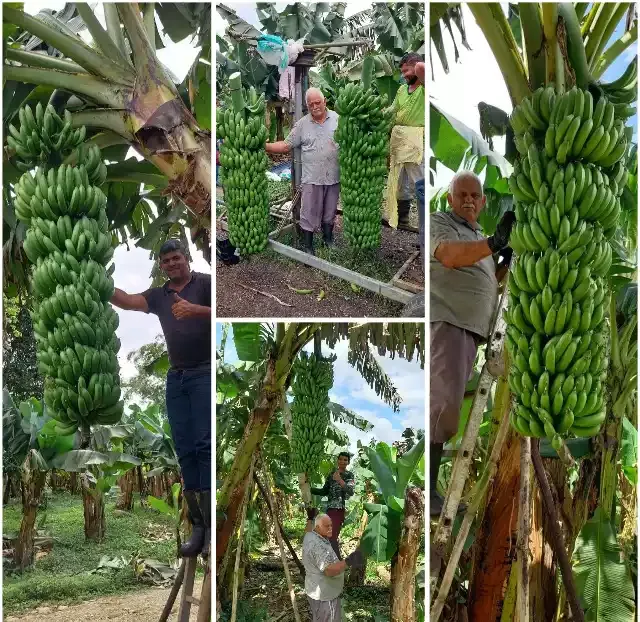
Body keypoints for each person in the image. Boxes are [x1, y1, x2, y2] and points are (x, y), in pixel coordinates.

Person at [110, 239, 212, 556]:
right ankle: (198, 527)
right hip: (177, 377)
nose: (171, 264)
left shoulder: (207, 284)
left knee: (205, 445)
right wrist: (96, 276)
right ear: (161, 265)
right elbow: (127, 301)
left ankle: (210, 525)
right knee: (184, 448)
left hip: (205, 372)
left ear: (187, 258)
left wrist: (197, 310)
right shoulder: (160, 295)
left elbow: (231, 312)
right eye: (165, 260)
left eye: (176, 258)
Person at [430, 171, 515, 516]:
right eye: (461, 194)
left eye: (474, 196)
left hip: (470, 328)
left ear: (482, 202)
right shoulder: (442, 223)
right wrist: (494, 244)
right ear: (451, 199)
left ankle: (433, 486)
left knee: (449, 401)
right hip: (449, 319)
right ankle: (430, 491)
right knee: (444, 403)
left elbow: (485, 280)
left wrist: (503, 261)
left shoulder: (478, 235)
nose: (468, 200)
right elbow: (450, 257)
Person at [265, 87, 339, 255]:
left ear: (324, 101)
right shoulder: (302, 124)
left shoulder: (337, 119)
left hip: (333, 175)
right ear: (307, 106)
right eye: (310, 104)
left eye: (317, 102)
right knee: (309, 212)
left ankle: (328, 240)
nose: (314, 106)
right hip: (311, 177)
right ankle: (308, 245)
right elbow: (285, 145)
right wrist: (264, 146)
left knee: (330, 210)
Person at [387, 53, 425, 229]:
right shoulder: (402, 90)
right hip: (399, 141)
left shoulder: (425, 88)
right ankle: (402, 219)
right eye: (401, 72)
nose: (403, 75)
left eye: (406, 70)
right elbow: (392, 110)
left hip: (415, 143)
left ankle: (425, 228)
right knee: (399, 183)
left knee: (420, 185)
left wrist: (417, 68)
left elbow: (423, 70)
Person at [302, 512, 364, 622]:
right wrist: (349, 561)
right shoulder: (317, 546)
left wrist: (310, 519)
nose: (330, 528)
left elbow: (307, 531)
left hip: (314, 589)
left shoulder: (310, 535)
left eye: (331, 525)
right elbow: (328, 570)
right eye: (327, 526)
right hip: (326, 596)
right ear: (317, 527)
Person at [310, 452, 355, 559]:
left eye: (345, 460)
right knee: (328, 536)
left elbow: (351, 491)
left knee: (332, 536)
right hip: (330, 509)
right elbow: (324, 491)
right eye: (341, 459)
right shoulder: (331, 474)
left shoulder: (349, 475)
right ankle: (332, 562)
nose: (343, 462)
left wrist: (339, 480)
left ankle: (337, 563)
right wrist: (309, 489)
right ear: (337, 460)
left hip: (339, 509)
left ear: (348, 462)